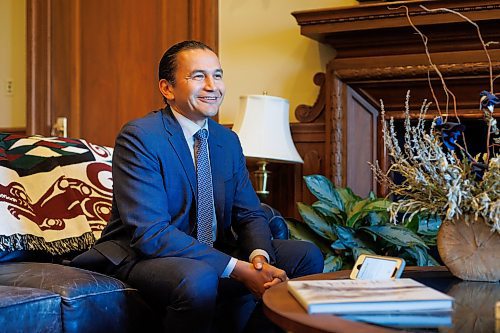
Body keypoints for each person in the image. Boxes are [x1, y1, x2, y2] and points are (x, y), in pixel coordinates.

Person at [73, 40, 323, 333]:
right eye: (198, 76)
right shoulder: (140, 137)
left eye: (217, 75)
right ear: (167, 89)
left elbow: (250, 214)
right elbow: (150, 234)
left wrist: (257, 258)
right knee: (200, 276)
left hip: (209, 250)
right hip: (141, 255)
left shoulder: (226, 140)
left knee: (306, 255)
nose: (212, 86)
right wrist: (238, 269)